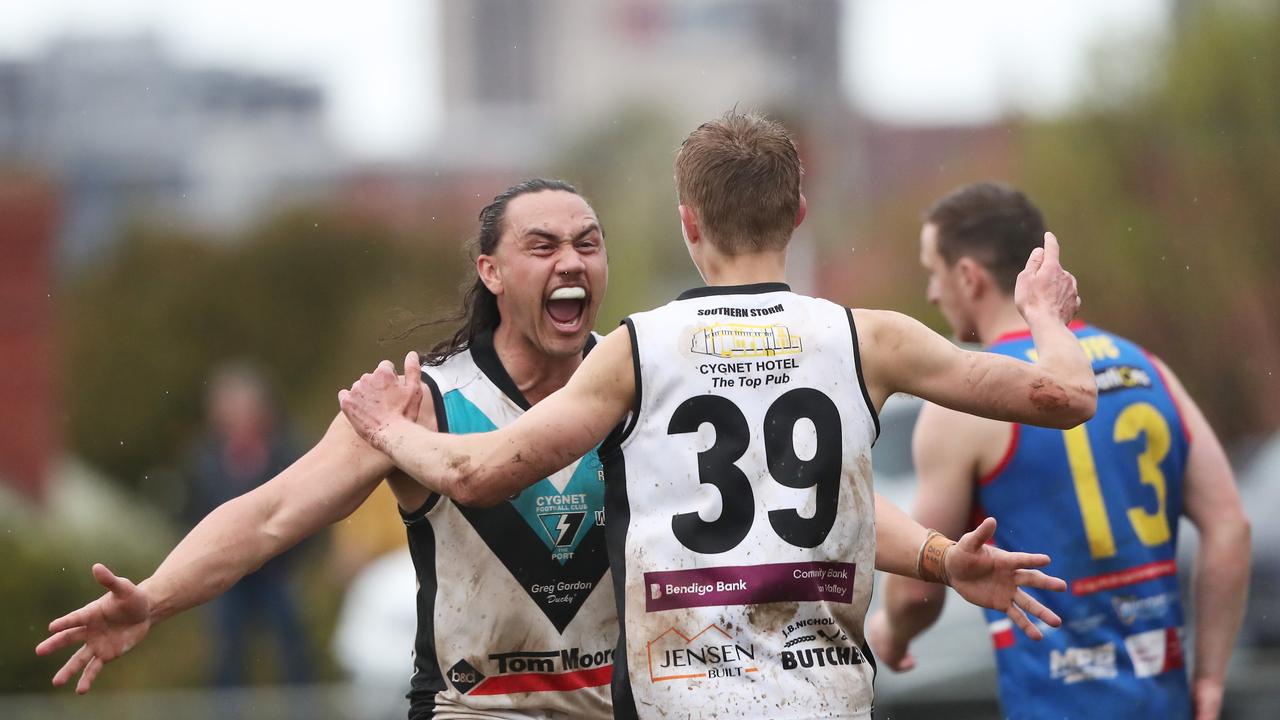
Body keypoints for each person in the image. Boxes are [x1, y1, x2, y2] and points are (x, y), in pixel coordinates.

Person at [336, 111, 1099, 719]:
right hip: (823, 701)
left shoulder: (641, 350)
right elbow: (1067, 397)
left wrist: (389, 427)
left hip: (684, 701)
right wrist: (1044, 316)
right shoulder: (869, 338)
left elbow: (479, 472)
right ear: (799, 213)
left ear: (689, 223)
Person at [37, 178, 619, 719]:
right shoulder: (415, 405)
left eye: (587, 244)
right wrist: (153, 598)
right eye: (542, 246)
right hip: (476, 711)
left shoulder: (641, 385)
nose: (571, 260)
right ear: (490, 271)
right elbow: (269, 515)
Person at [865, 182, 1251, 720]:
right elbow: (1231, 526)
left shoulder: (965, 408)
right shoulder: (1149, 369)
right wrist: (1208, 678)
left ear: (969, 276)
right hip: (1164, 703)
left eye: (934, 271)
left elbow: (914, 593)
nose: (932, 293)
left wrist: (891, 633)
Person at [187, 363, 311, 688]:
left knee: (293, 646)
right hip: (227, 577)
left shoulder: (287, 452)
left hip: (276, 570)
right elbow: (195, 514)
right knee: (226, 651)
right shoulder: (204, 460)